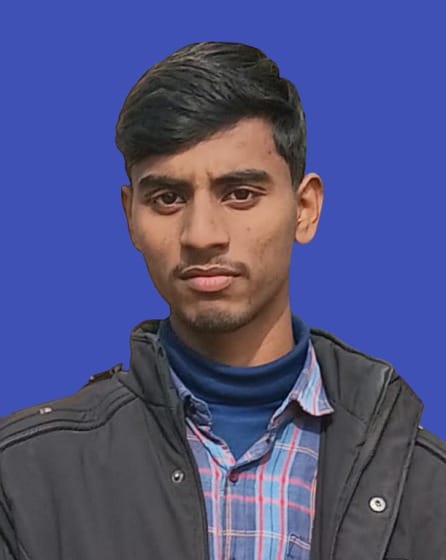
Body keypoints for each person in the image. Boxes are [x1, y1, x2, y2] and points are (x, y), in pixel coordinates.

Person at [0, 41, 445, 560]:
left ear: (304, 208)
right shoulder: (26, 476)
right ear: (130, 216)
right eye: (168, 198)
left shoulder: (427, 489)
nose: (202, 235)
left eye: (240, 194)